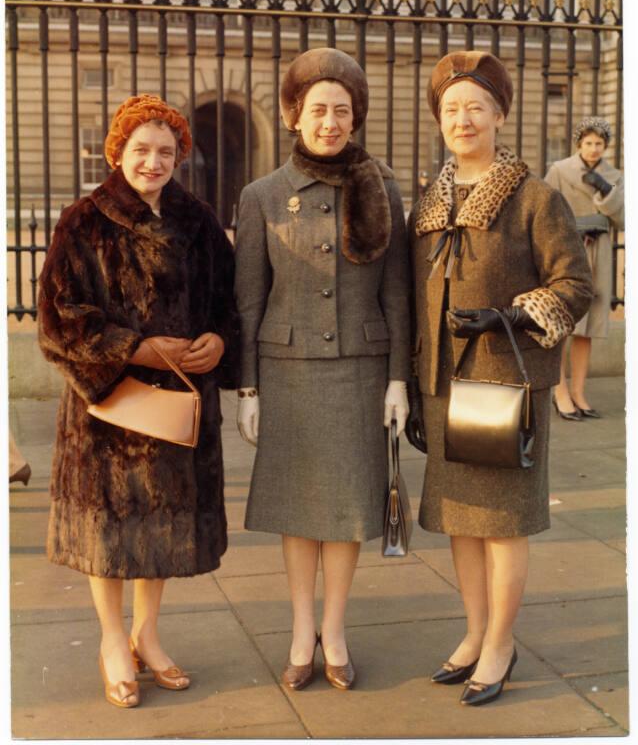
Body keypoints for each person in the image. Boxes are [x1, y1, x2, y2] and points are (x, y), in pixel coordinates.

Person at [38, 94, 239, 708]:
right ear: (118, 152)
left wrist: (218, 340)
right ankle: (108, 640)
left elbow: (228, 299)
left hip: (178, 402)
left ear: (181, 155)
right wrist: (134, 348)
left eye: (166, 151)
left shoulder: (199, 221)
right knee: (109, 530)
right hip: (108, 407)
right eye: (141, 150)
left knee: (162, 531)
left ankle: (146, 636)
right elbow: (57, 320)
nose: (153, 162)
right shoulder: (83, 220)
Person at [409, 51, 592, 706]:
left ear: (500, 115)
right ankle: (475, 631)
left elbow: (576, 283)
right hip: (442, 386)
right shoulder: (430, 202)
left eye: (475, 107)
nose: (463, 119)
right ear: (439, 120)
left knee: (502, 523)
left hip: (505, 385)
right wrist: (408, 385)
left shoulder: (534, 197)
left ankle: (502, 643)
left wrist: (511, 316)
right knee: (461, 520)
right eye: (451, 109)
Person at [235, 47, 410, 691]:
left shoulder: (382, 190)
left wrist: (398, 380)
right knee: (297, 510)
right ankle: (299, 630)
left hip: (361, 372)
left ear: (355, 117)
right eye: (318, 110)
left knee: (347, 510)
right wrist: (247, 387)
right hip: (287, 373)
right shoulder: (261, 196)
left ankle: (334, 632)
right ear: (293, 116)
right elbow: (249, 298)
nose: (330, 122)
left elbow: (398, 294)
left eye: (342, 110)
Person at [544, 117, 623, 420]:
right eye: (588, 143)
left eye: (599, 144)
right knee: (564, 323)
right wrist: (571, 231)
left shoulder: (614, 175)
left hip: (598, 252)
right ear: (579, 144)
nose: (593, 149)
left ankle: (579, 392)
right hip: (567, 250)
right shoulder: (560, 170)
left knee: (587, 329)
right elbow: (546, 210)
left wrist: (606, 192)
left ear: (606, 146)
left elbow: (624, 219)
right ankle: (559, 390)